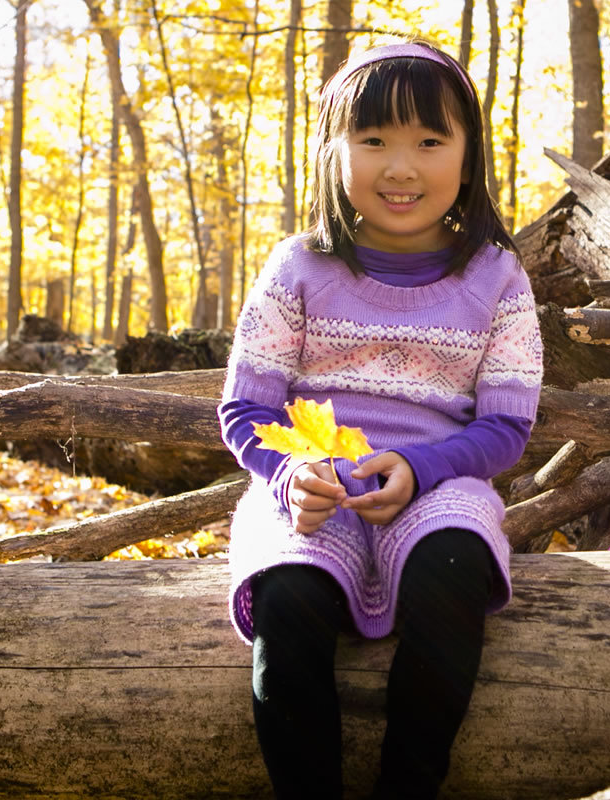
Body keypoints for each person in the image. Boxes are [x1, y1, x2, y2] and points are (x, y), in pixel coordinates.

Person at [217, 40, 543, 800]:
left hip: (439, 482)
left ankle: (409, 785)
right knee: (288, 599)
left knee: (455, 565)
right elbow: (246, 408)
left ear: (468, 154)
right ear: (334, 151)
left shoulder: (496, 276)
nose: (401, 167)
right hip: (310, 487)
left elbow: (506, 427)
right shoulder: (298, 268)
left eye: (430, 142)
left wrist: (423, 468)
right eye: (373, 141)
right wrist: (290, 472)